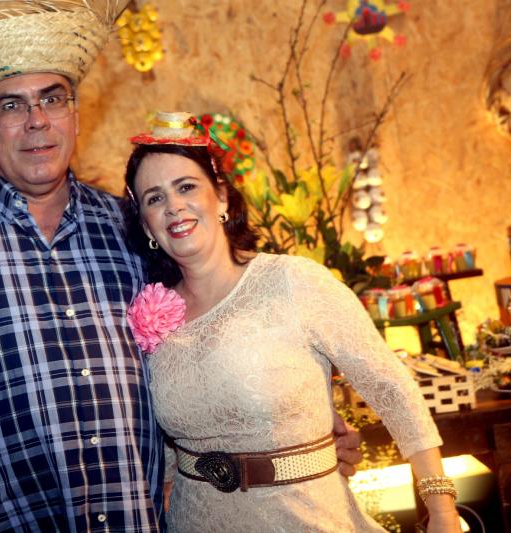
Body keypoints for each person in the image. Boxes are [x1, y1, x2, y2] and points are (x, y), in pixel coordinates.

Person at [0, 2, 363, 531]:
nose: (37, 120)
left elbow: (211, 332)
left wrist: (295, 423)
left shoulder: (132, 225)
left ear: (75, 114)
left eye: (52, 98)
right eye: (10, 105)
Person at [122, 112, 461, 533]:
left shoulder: (293, 281)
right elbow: (169, 444)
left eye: (186, 186)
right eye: (154, 198)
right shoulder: (152, 313)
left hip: (305, 517)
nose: (173, 205)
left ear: (222, 198)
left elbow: (390, 387)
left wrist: (441, 508)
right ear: (146, 223)